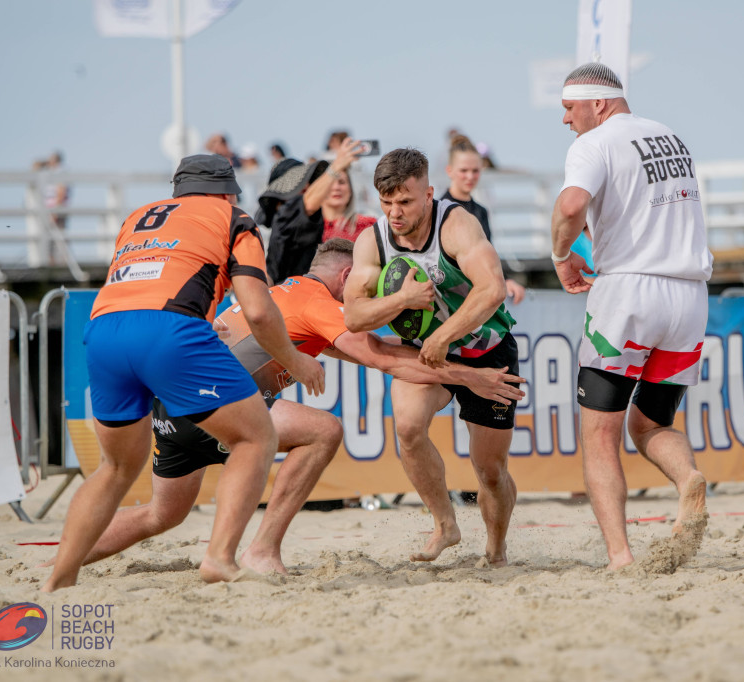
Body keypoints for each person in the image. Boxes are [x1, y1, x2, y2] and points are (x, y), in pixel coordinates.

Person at [49, 239, 524, 575]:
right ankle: (263, 550)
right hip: (215, 407)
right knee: (323, 431)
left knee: (161, 515)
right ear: (344, 277)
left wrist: (457, 372)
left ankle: (67, 557)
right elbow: (381, 358)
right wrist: (470, 376)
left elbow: (385, 355)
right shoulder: (318, 303)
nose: (368, 297)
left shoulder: (291, 294)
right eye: (362, 287)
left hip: (173, 409)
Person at [41, 154, 325, 592]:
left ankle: (57, 581)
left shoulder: (138, 218)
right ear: (227, 191)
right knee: (255, 438)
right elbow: (258, 311)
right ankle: (219, 558)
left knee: (115, 469)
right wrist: (295, 360)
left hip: (102, 331)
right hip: (169, 328)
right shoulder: (234, 217)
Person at [550, 63, 712, 570]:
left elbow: (573, 203)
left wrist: (560, 254)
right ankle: (687, 478)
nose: (565, 120)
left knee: (600, 433)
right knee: (649, 422)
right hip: (688, 296)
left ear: (597, 103)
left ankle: (620, 556)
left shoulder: (595, 143)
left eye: (568, 108)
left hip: (628, 293)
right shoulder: (670, 136)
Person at [343, 148, 520, 566]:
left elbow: (492, 289)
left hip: (485, 347)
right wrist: (404, 299)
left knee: (490, 470)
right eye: (386, 202)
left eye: (405, 201)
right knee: (406, 426)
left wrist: (444, 335)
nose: (395, 212)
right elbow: (354, 315)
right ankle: (445, 524)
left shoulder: (456, 223)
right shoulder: (373, 240)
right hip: (423, 353)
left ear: (429, 193)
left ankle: (496, 549)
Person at [259, 136, 364, 283]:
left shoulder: (313, 222)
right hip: (291, 300)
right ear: (279, 202)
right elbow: (305, 206)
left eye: (309, 185)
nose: (308, 191)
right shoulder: (284, 221)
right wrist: (336, 165)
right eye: (300, 190)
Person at [441, 134, 525, 304]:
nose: (470, 177)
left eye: (475, 171)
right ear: (449, 170)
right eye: (464, 170)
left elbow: (489, 254)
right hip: (449, 296)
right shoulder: (440, 210)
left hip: (478, 294)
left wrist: (505, 280)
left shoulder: (481, 211)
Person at [319, 164, 377, 243]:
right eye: (331, 182)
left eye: (342, 182)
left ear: (350, 190)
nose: (336, 187)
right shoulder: (307, 226)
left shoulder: (368, 226)